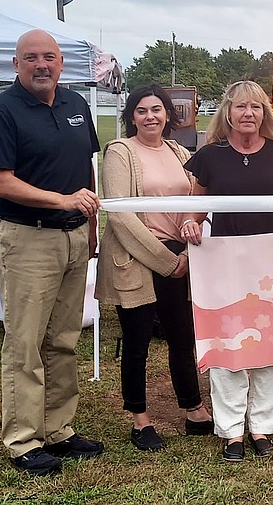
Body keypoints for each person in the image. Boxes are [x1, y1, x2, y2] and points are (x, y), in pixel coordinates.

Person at [0, 29, 104, 476]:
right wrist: (63, 201)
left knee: (63, 340)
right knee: (25, 343)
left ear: (62, 62)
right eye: (31, 58)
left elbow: (87, 168)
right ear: (16, 64)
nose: (41, 65)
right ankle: (23, 439)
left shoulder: (76, 106)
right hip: (27, 238)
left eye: (49, 57)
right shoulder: (0, 113)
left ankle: (58, 429)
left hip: (72, 238)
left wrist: (89, 230)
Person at [183, 80, 273, 462]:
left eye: (255, 107)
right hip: (225, 263)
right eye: (240, 107)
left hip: (272, 265)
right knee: (226, 341)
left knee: (272, 341)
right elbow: (196, 208)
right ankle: (231, 430)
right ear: (228, 112)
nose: (248, 114)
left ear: (264, 112)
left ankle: (263, 425)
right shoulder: (210, 158)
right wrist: (190, 224)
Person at [96, 85, 214, 451]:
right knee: (137, 342)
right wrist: (166, 261)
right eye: (143, 110)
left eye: (157, 110)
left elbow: (193, 200)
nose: (151, 116)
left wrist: (185, 245)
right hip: (139, 260)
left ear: (168, 115)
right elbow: (119, 214)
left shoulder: (179, 152)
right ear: (132, 116)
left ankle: (193, 407)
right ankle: (140, 418)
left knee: (182, 337)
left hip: (179, 256)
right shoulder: (120, 152)